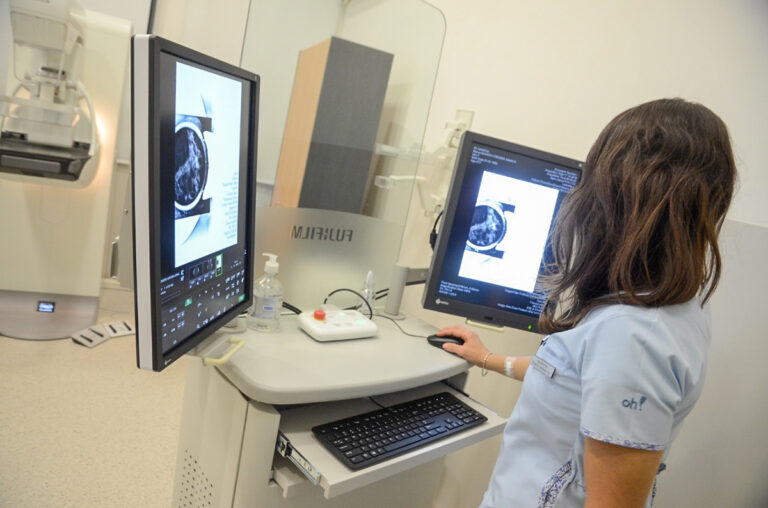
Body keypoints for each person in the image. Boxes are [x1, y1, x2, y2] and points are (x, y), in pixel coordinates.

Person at [436, 98, 737, 507]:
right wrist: (489, 359)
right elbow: (575, 378)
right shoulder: (675, 302)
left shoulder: (633, 337)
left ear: (618, 197)